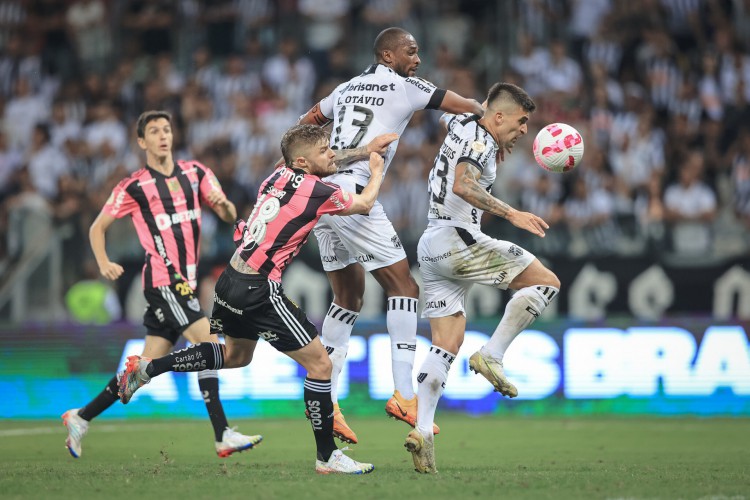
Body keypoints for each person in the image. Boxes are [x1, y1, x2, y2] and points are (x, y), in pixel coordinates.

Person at [118, 124, 397, 474]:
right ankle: (327, 457)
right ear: (303, 162)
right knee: (321, 366)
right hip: (259, 287)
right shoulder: (317, 190)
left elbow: (323, 162)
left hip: (230, 280)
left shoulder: (277, 175)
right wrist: (375, 168)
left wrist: (362, 147)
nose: (332, 155)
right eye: (325, 151)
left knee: (235, 356)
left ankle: (147, 368)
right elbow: (366, 203)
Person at [296, 26, 485, 444]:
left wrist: (310, 159)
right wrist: (486, 118)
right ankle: (403, 393)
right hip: (354, 192)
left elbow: (305, 126)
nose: (417, 59)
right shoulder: (406, 86)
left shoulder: (343, 88)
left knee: (348, 298)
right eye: (410, 52)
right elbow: (467, 105)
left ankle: (327, 401)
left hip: (321, 194)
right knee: (404, 286)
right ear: (387, 56)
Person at [62, 110, 262, 459]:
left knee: (142, 369)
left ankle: (81, 416)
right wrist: (104, 261)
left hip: (184, 282)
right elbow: (97, 227)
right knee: (210, 343)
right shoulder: (134, 186)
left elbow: (228, 213)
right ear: (142, 142)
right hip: (164, 281)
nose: (162, 135)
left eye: (166, 129)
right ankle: (222, 433)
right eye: (153, 131)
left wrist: (225, 206)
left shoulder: (196, 173)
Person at [405, 83, 561, 473]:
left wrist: (483, 118)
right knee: (545, 283)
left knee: (445, 343)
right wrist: (513, 214)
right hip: (459, 239)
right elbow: (463, 183)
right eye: (521, 122)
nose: (525, 130)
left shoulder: (464, 121)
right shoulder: (481, 141)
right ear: (499, 117)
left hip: (430, 243)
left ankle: (422, 432)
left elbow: (450, 116)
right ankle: (492, 354)